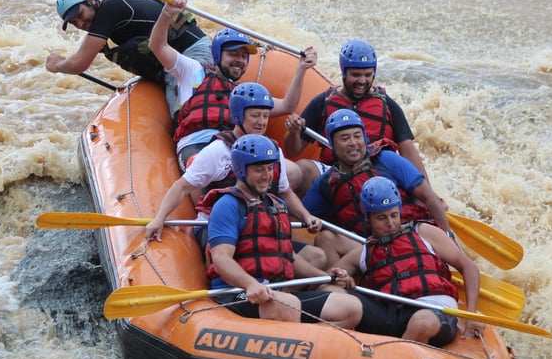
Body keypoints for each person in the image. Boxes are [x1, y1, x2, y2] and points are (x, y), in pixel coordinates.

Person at [144, 83, 325, 269]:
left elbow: (285, 192)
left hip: (257, 226)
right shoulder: (218, 151)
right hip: (219, 229)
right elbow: (182, 187)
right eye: (255, 115)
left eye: (265, 116)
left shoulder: (273, 151)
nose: (262, 122)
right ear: (238, 115)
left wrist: (306, 216)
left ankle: (284, 291)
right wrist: (160, 217)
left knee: (317, 257)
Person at [205, 135, 362, 327]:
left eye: (270, 168)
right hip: (238, 293)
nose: (267, 175)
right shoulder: (227, 205)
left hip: (276, 292)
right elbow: (221, 258)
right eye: (259, 169)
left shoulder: (277, 204)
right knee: (287, 304)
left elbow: (287, 256)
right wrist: (249, 283)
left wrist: (327, 275)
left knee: (350, 308)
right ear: (240, 170)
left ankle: (310, 345)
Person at [149, 0, 318, 170]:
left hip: (235, 147)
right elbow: (158, 46)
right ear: (217, 54)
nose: (239, 60)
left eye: (244, 56)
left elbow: (288, 106)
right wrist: (167, 13)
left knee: (293, 172)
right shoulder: (193, 71)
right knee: (205, 168)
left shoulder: (244, 93)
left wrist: (301, 70)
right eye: (233, 54)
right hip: (197, 146)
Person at [331, 177, 484, 346]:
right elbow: (326, 281)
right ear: (369, 218)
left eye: (394, 215)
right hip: (390, 316)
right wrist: (343, 279)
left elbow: (469, 267)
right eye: (382, 217)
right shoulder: (363, 252)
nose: (390, 223)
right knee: (340, 300)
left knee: (421, 322)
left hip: (434, 310)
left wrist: (472, 314)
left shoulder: (423, 232)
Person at [302, 109, 451, 264]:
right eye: (345, 138)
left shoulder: (386, 159)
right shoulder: (326, 183)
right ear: (332, 144)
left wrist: (448, 236)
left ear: (365, 138)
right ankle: (346, 283)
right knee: (325, 238)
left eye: (357, 136)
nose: (353, 143)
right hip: (370, 247)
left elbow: (428, 197)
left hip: (409, 237)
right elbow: (299, 214)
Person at [282, 38, 430, 192]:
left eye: (368, 75)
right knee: (303, 168)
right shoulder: (322, 103)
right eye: (356, 74)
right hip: (335, 172)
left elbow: (409, 151)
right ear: (344, 72)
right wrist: (294, 133)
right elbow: (292, 151)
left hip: (377, 173)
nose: (362, 81)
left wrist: (429, 193)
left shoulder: (388, 105)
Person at [45, 0, 212, 115]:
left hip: (193, 54)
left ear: (91, 0)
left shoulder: (111, 7)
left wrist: (56, 65)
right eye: (74, 22)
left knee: (185, 117)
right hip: (175, 63)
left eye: (80, 15)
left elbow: (78, 64)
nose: (80, 24)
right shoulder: (109, 23)